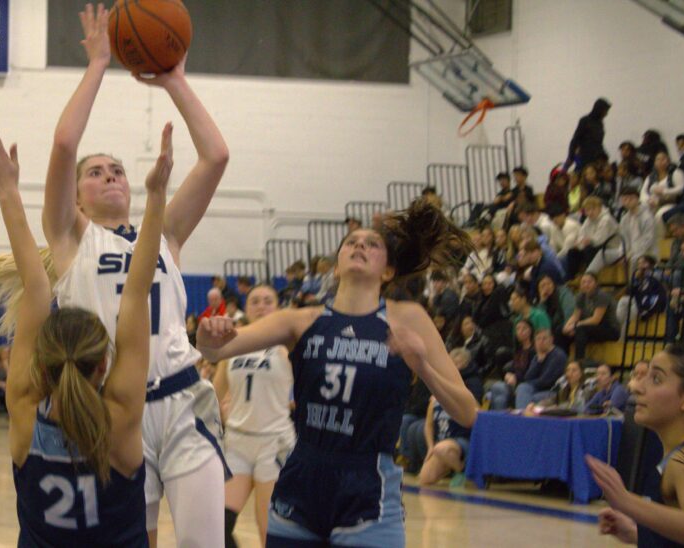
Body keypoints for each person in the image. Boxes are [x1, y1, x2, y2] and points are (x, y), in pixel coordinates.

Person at [39, 5, 230, 545]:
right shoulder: (70, 237)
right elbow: (62, 146)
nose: (110, 176)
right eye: (96, 174)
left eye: (117, 169)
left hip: (182, 399)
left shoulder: (163, 230)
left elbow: (215, 156)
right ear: (77, 196)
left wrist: (176, 82)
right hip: (112, 410)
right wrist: (99, 62)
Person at [197, 200, 480, 546]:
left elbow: (467, 412)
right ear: (336, 267)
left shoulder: (407, 318)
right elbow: (217, 349)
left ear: (387, 271)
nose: (360, 245)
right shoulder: (302, 320)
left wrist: (421, 365)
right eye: (351, 242)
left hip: (368, 485)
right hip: (303, 478)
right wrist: (207, 335)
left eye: (372, 244)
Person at [0, 122, 167, 546]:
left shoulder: (25, 413)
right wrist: (157, 196)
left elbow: (35, 288)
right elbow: (137, 290)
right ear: (104, 364)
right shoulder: (122, 418)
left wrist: (8, 195)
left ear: (39, 363)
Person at [587, 344, 684, 547]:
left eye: (656, 379)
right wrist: (638, 534)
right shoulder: (679, 454)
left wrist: (629, 502)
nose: (636, 387)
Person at [212, 284, 295, 546]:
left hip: (275, 443)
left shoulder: (288, 345)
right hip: (237, 441)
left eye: (268, 300)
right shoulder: (233, 344)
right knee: (217, 527)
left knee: (268, 530)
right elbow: (214, 394)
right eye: (255, 301)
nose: (261, 305)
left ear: (278, 307)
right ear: (246, 309)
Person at [418, 349, 478, 487]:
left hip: (460, 442)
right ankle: (449, 466)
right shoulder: (435, 399)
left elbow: (477, 416)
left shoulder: (464, 394)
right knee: (425, 479)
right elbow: (428, 425)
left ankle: (463, 471)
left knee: (442, 449)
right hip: (441, 443)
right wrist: (430, 447)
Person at [563, 272, 621, 359]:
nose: (586, 284)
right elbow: (575, 316)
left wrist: (575, 325)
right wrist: (566, 327)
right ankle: (564, 361)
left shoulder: (602, 296)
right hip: (591, 328)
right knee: (560, 331)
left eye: (589, 282)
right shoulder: (580, 296)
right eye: (583, 282)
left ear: (596, 283)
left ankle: (579, 361)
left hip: (610, 329)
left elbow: (596, 320)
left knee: (580, 330)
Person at [514, 329, 568, 409]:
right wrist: (539, 362)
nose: (541, 341)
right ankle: (524, 417)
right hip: (538, 389)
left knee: (528, 395)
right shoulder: (538, 355)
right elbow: (528, 377)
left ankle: (523, 418)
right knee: (523, 388)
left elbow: (546, 381)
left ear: (551, 339)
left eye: (544, 338)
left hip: (553, 391)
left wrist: (527, 383)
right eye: (538, 339)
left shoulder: (558, 355)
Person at [488, 319, 535, 410]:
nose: (520, 332)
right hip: (514, 381)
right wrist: (508, 374)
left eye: (524, 329)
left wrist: (516, 377)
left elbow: (530, 370)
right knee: (497, 394)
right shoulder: (518, 350)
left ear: (531, 331)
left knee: (498, 388)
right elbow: (515, 366)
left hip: (525, 383)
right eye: (518, 329)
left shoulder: (534, 351)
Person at [564, 98, 611, 171]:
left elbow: (599, 143)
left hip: (596, 159)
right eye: (605, 111)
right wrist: (571, 156)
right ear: (599, 109)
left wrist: (604, 157)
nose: (606, 114)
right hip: (583, 157)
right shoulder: (585, 120)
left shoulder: (600, 124)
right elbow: (575, 139)